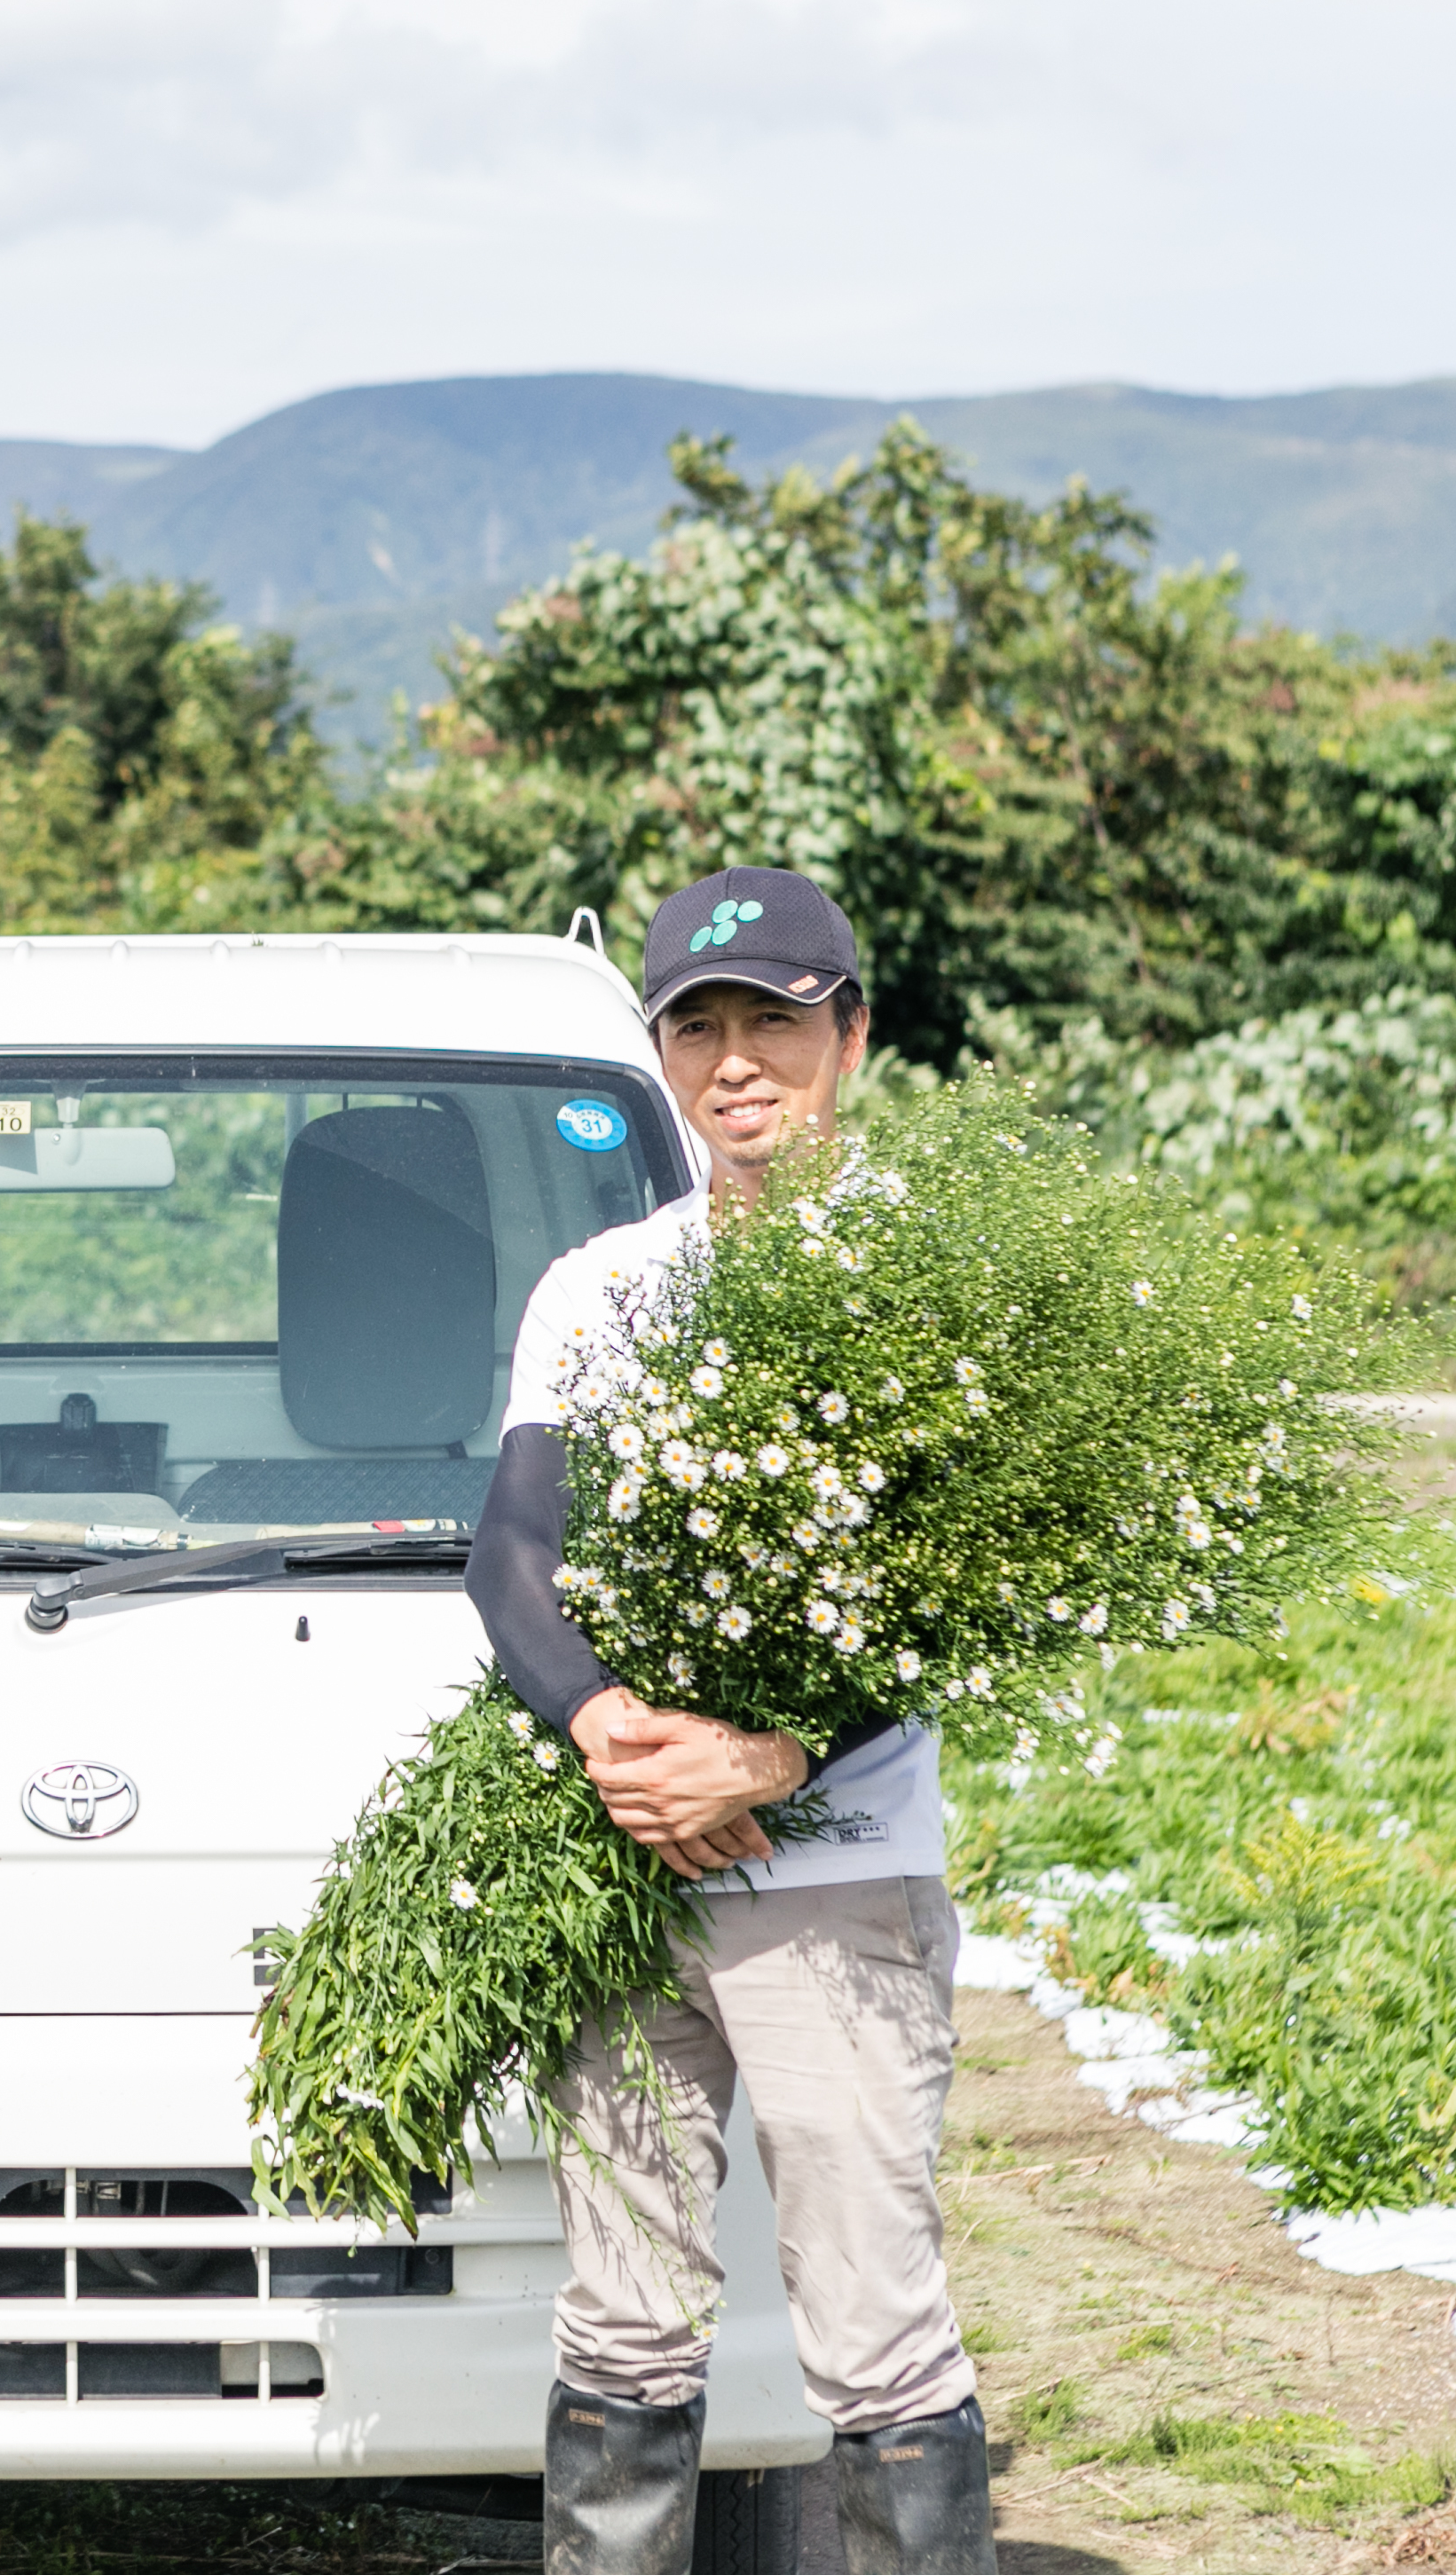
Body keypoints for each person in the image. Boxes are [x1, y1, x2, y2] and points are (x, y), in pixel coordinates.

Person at [468, 867, 991, 2575]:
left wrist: (772, 1755)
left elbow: (969, 1591)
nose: (736, 1061)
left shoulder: (928, 1284)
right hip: (621, 1874)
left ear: (855, 1034)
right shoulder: (602, 1286)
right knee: (620, 2330)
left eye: (774, 1018)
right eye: (698, 1026)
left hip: (833, 1883)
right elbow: (511, 1559)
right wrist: (616, 1730)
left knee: (871, 2339)